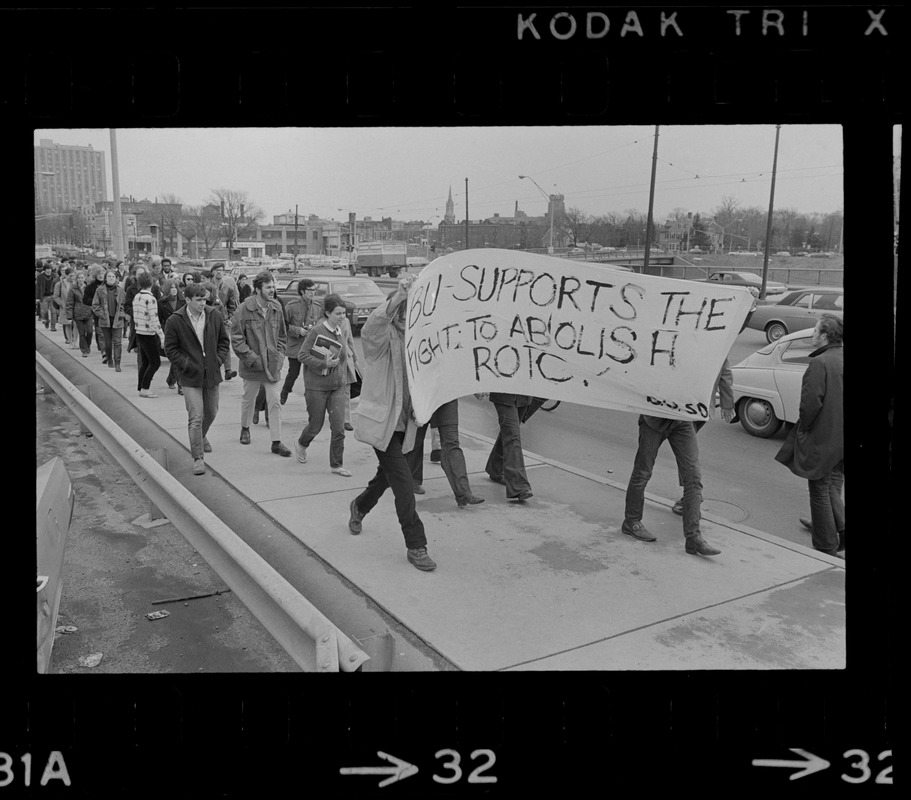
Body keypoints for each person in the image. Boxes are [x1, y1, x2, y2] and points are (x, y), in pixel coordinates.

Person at [349, 275, 436, 571]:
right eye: (403, 310)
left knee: (387, 477)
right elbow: (373, 326)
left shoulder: (419, 342)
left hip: (409, 426)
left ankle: (360, 506)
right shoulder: (381, 341)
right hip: (382, 425)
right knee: (403, 485)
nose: (407, 316)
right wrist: (397, 296)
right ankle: (416, 545)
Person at [775, 314, 844, 557]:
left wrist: (804, 429)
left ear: (825, 336)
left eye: (815, 331)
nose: (812, 335)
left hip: (823, 436)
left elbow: (810, 405)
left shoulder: (820, 363)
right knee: (833, 483)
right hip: (841, 439)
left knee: (819, 488)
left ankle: (826, 544)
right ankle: (836, 529)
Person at [621, 411, 721, 557]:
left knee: (693, 479)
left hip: (682, 419)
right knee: (642, 473)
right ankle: (631, 521)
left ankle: (693, 537)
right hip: (654, 419)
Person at [164, 283, 231, 476]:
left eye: (204, 299)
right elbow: (170, 349)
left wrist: (217, 360)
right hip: (190, 376)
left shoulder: (214, 315)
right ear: (188, 300)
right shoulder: (175, 320)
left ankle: (200, 437)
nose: (203, 303)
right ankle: (198, 458)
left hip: (211, 374)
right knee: (195, 416)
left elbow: (224, 342)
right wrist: (186, 364)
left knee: (211, 411)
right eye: (199, 300)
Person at [231, 270, 291, 456]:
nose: (272, 290)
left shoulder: (277, 307)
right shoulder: (244, 308)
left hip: (272, 365)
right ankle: (245, 428)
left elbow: (282, 336)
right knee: (249, 399)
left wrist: (280, 356)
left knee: (275, 402)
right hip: (252, 366)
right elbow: (236, 338)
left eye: (273, 287)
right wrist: (252, 359)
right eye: (268, 287)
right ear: (258, 289)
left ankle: (276, 442)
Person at [294, 294, 352, 476]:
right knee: (315, 425)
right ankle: (302, 443)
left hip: (337, 386)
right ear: (327, 313)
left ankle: (336, 465)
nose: (342, 317)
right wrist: (323, 364)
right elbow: (302, 356)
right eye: (338, 313)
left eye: (344, 313)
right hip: (317, 386)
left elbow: (344, 351)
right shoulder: (317, 331)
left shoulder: (341, 329)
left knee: (338, 427)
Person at [670, 359, 735, 515]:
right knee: (687, 454)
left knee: (686, 455)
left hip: (685, 406)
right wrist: (727, 404)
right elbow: (725, 374)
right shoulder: (718, 339)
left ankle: (692, 497)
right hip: (701, 408)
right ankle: (691, 495)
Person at [414, 400, 485, 507]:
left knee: (452, 443)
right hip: (422, 395)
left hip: (446, 396)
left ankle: (463, 493)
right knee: (415, 440)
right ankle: (412, 480)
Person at [485, 394, 544, 502]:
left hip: (524, 395)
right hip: (504, 393)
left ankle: (495, 469)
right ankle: (519, 486)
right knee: (512, 435)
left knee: (509, 432)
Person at [281, 278, 319, 404]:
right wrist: (297, 330)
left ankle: (310, 396)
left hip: (311, 347)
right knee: (293, 373)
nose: (313, 293)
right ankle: (285, 392)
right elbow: (283, 326)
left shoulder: (317, 307)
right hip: (296, 346)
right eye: (310, 290)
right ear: (302, 291)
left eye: (314, 290)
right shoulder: (291, 306)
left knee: (311, 374)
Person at [132, 271, 165, 397]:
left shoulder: (137, 297)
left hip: (139, 331)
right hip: (149, 333)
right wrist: (162, 336)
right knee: (155, 362)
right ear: (152, 283)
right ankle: (145, 388)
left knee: (145, 361)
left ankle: (141, 386)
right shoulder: (151, 299)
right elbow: (154, 319)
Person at [92, 269, 127, 371]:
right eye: (109, 276)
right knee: (108, 343)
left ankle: (117, 363)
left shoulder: (120, 290)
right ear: (105, 278)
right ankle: (109, 359)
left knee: (117, 342)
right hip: (105, 320)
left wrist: (122, 313)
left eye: (113, 277)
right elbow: (95, 305)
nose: (111, 278)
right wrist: (101, 314)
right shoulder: (100, 290)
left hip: (117, 319)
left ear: (116, 279)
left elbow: (124, 304)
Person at [209, 262, 239, 380]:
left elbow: (233, 305)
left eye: (221, 270)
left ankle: (228, 370)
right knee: (211, 345)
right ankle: (213, 370)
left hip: (223, 320)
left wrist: (231, 318)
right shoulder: (207, 286)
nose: (219, 272)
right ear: (212, 272)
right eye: (216, 270)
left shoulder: (228, 288)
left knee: (224, 344)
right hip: (209, 319)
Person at [158, 278, 186, 393]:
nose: (174, 290)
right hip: (168, 332)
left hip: (182, 332)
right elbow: (159, 319)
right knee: (175, 358)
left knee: (178, 359)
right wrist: (161, 334)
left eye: (175, 287)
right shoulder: (161, 303)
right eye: (171, 287)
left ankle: (180, 384)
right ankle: (172, 380)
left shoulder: (183, 301)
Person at [66, 271, 95, 357]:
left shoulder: (89, 288)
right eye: (79, 278)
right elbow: (69, 303)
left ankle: (87, 345)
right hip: (78, 314)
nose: (80, 279)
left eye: (82, 277)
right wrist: (69, 316)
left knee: (89, 332)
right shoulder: (73, 290)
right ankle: (84, 350)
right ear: (76, 279)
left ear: (85, 278)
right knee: (81, 333)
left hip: (88, 312)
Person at [36, 261, 58, 330]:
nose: (49, 270)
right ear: (45, 269)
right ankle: (46, 322)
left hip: (52, 296)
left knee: (53, 311)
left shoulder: (55, 276)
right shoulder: (40, 277)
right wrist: (37, 297)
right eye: (47, 269)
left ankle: (53, 326)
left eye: (50, 269)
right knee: (44, 311)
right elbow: (38, 288)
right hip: (44, 296)